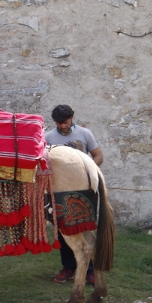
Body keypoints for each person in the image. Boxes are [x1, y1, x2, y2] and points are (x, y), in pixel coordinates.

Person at [44, 104, 104, 286]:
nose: (62, 126)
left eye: (66, 122)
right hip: (59, 189)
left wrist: (89, 173)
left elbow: (98, 156)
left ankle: (91, 271)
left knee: (83, 225)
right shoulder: (48, 137)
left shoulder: (85, 134)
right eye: (59, 123)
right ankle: (68, 267)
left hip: (82, 188)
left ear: (72, 118)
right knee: (62, 229)